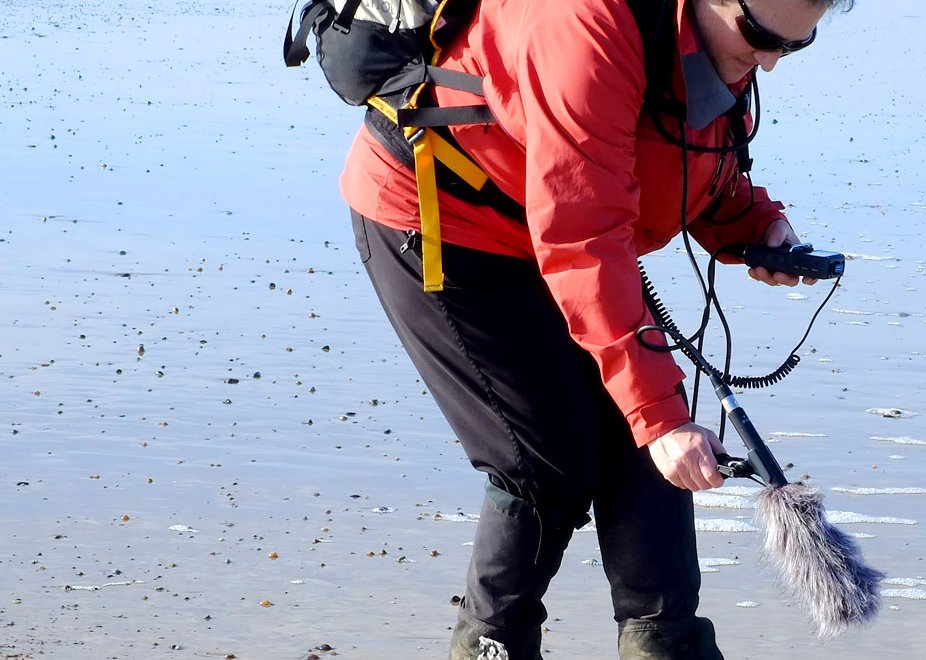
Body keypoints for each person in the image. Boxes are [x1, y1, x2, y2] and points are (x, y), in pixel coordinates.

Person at [338, 0, 851, 658]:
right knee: (545, 460)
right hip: (444, 212)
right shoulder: (584, 27)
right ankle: (491, 648)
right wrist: (658, 415)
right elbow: (584, 238)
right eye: (760, 37)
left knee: (653, 454)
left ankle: (665, 646)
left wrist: (751, 225)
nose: (772, 60)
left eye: (794, 46)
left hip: (560, 220)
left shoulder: (722, 40)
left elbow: (672, 153)